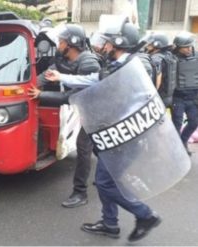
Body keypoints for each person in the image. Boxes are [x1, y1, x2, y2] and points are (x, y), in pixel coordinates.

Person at [42, 17, 161, 242]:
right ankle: (109, 223)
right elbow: (93, 81)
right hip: (113, 133)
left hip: (125, 136)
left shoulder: (133, 67)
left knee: (106, 182)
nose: (102, 47)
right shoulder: (116, 65)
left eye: (106, 43)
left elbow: (134, 101)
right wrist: (61, 77)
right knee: (109, 180)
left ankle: (145, 215)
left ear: (117, 43)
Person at [30, 24, 101, 208]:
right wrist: (28, 88)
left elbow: (72, 97)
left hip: (96, 110)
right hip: (84, 108)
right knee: (99, 147)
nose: (58, 44)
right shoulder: (63, 59)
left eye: (61, 42)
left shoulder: (89, 63)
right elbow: (47, 76)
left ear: (73, 43)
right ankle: (109, 176)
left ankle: (80, 193)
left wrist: (41, 96)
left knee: (84, 148)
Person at [171, 31, 198, 156]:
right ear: (178, 47)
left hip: (193, 97)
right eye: (185, 47)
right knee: (176, 124)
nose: (189, 49)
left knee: (194, 122)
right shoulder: (171, 58)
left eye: (190, 46)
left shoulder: (196, 57)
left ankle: (183, 141)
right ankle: (176, 151)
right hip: (178, 98)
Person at [144, 33, 177, 107]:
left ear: (157, 45)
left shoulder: (156, 58)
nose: (147, 45)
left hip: (159, 98)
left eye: (150, 43)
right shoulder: (169, 55)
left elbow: (157, 81)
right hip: (168, 97)